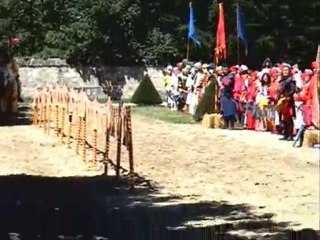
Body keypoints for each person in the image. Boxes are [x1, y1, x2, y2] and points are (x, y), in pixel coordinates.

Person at [277, 63, 297, 141]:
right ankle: (285, 134)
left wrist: (286, 96)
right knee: (283, 118)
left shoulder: (291, 80)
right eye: (284, 70)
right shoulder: (282, 79)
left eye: (286, 70)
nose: (285, 71)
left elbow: (292, 90)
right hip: (282, 100)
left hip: (288, 100)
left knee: (289, 118)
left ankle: (290, 135)